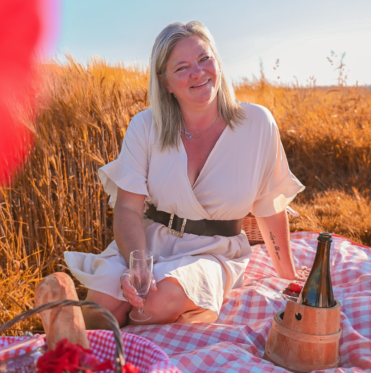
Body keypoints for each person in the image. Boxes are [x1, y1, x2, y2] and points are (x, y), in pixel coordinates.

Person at [64, 21, 305, 328]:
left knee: (156, 302)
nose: (198, 72)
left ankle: (131, 345)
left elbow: (271, 207)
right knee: (100, 306)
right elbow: (127, 207)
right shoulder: (145, 126)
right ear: (165, 82)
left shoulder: (257, 123)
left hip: (216, 251)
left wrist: (289, 279)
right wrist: (138, 265)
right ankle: (81, 365)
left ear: (217, 61)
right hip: (149, 243)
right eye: (182, 67)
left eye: (205, 59)